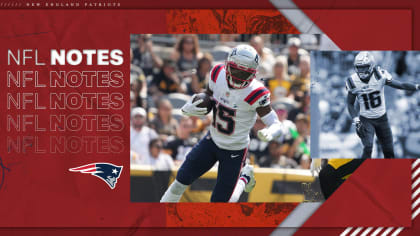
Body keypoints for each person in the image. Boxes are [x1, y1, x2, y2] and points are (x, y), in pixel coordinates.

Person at [160, 45, 286, 203]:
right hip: (211, 140)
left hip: (235, 150)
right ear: (227, 65)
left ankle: (244, 178)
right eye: (235, 70)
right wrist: (195, 104)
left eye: (244, 73)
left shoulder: (255, 92)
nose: (239, 77)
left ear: (253, 74)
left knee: (221, 204)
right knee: (180, 181)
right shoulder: (217, 73)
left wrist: (272, 131)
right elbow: (209, 96)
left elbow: (275, 122)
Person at [346, 51, 420, 159]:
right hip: (366, 118)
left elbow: (401, 85)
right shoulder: (353, 81)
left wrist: (416, 87)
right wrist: (356, 120)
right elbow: (351, 103)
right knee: (368, 147)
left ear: (371, 66)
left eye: (364, 67)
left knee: (389, 150)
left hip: (382, 117)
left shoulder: (380, 75)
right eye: (359, 67)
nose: (361, 71)